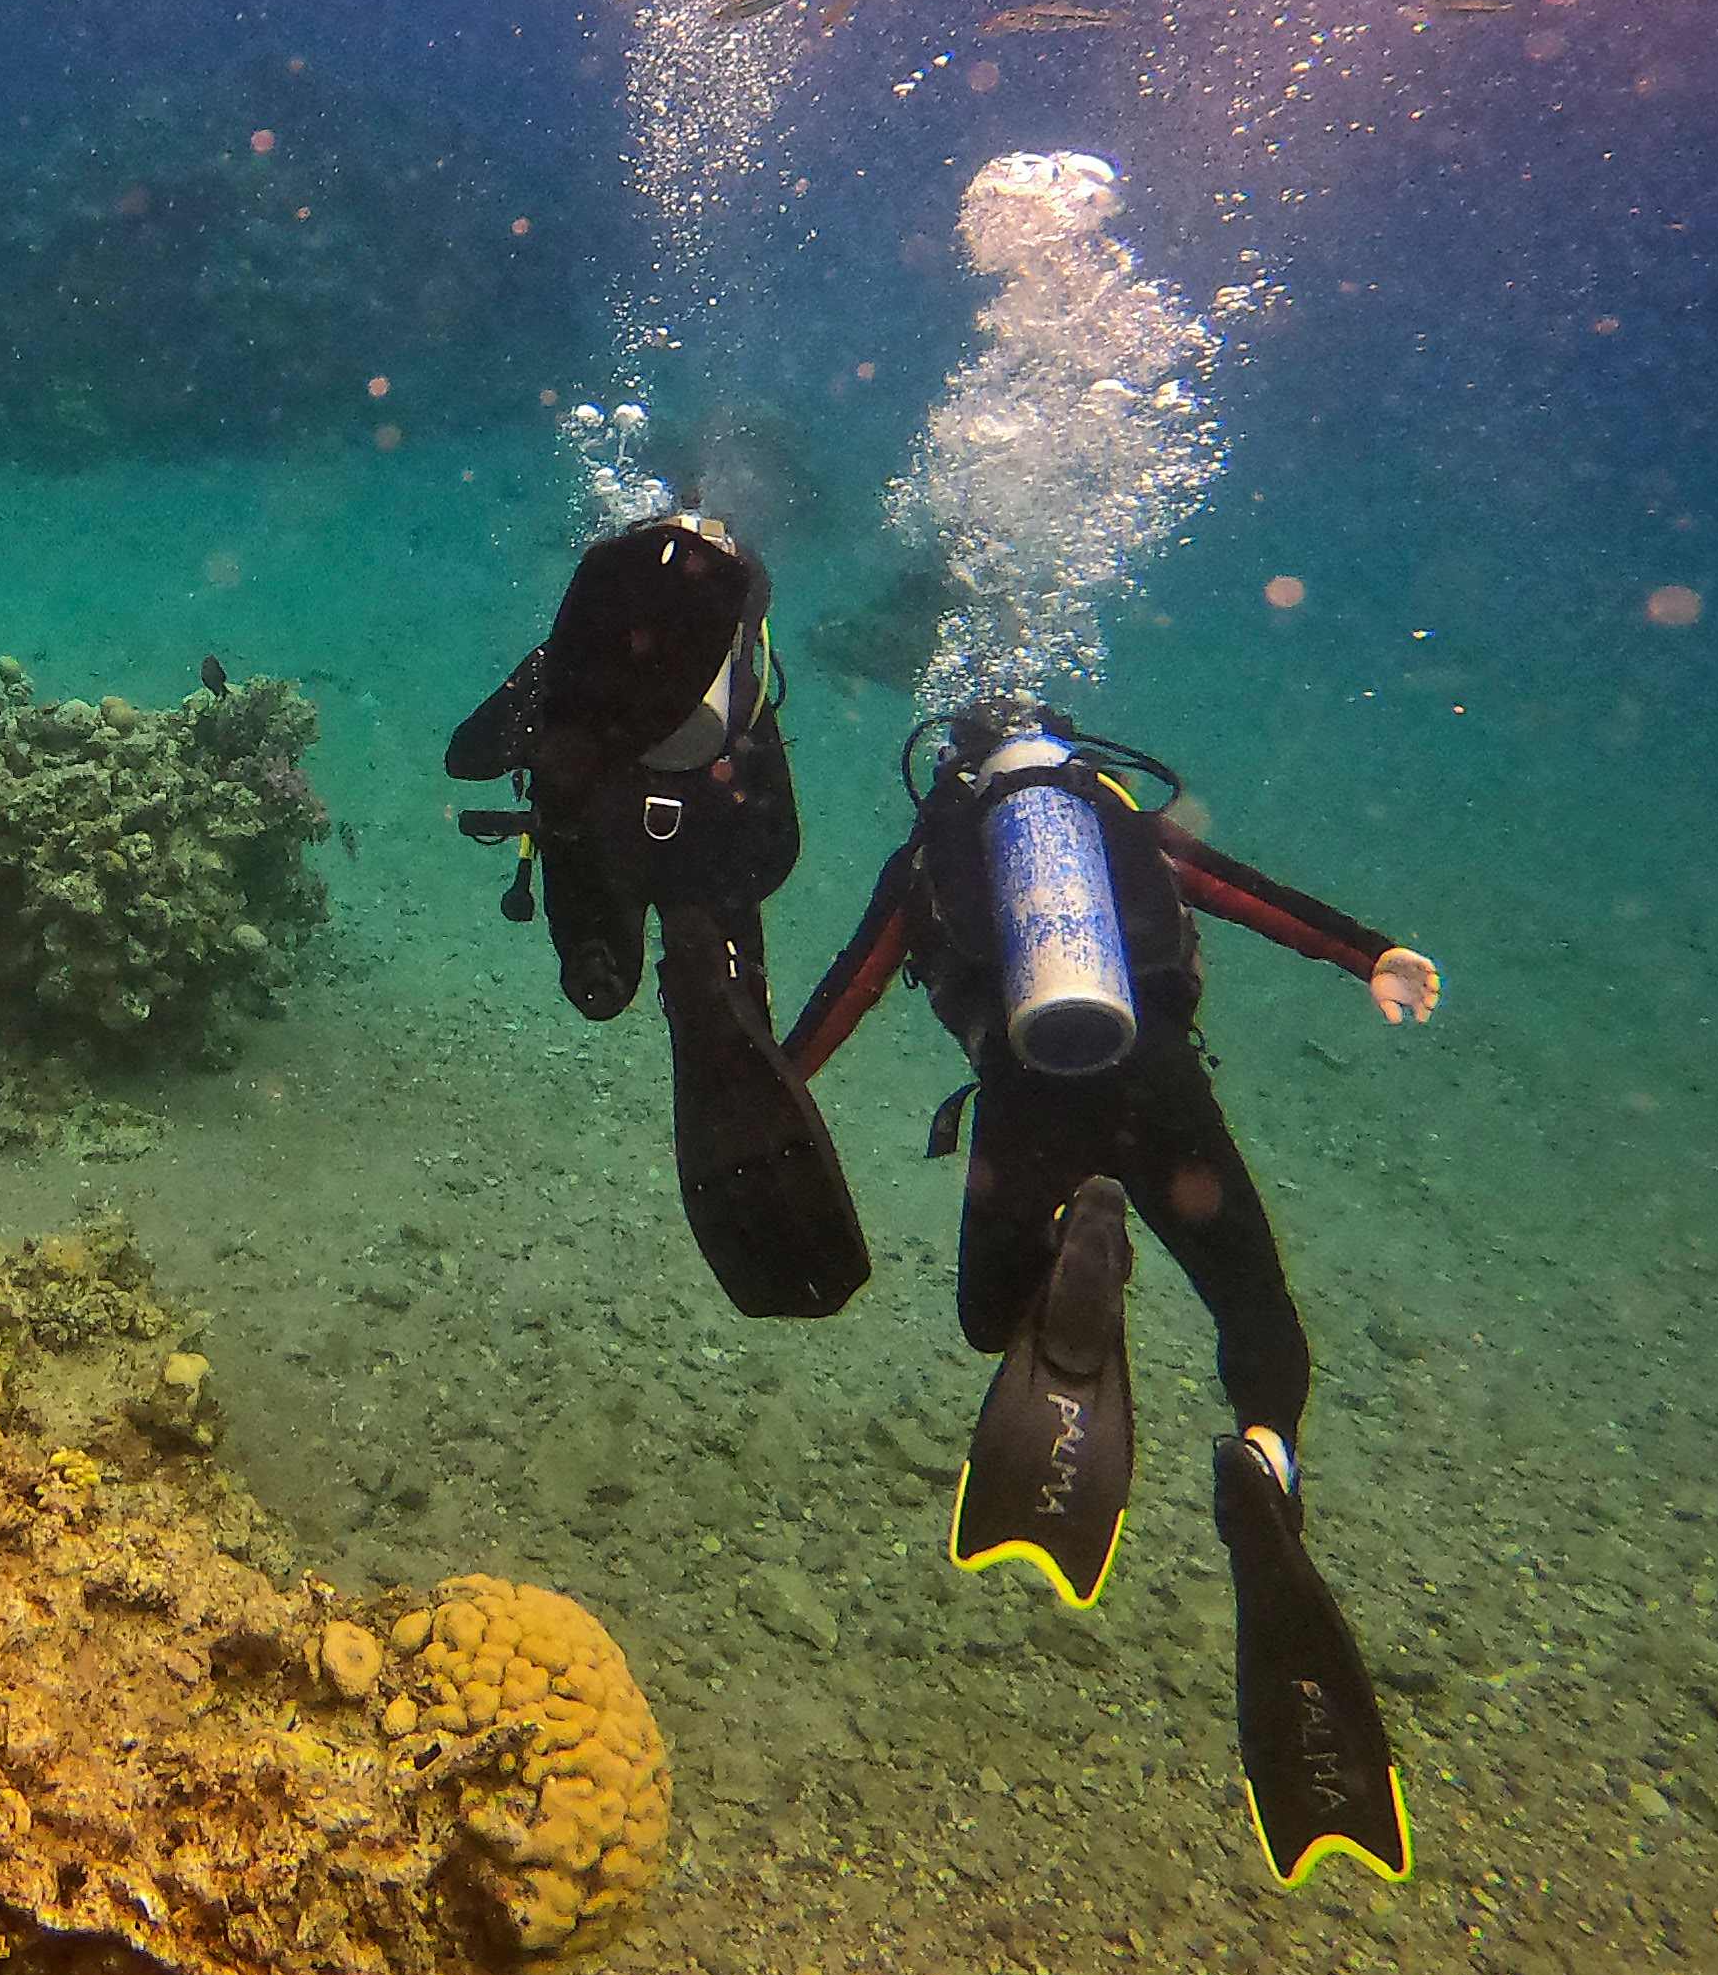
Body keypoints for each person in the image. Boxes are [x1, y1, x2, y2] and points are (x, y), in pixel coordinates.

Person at [781, 700, 1444, 1886]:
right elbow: (1253, 895)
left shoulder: (934, 850)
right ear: (1059, 744)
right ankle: (1263, 1459)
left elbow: (853, 985)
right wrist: (1371, 953)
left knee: (992, 1320)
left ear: (950, 764)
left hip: (1024, 1105)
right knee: (1255, 1310)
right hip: (1160, 1089)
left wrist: (771, 1089)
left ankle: (1076, 1249)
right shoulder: (1117, 820)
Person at [447, 514, 870, 1318]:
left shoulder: (567, 671)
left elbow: (465, 757)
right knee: (718, 996)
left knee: (598, 977)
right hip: (709, 865)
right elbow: (777, 846)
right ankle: (707, 984)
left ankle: (607, 962)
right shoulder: (738, 691)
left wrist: (544, 722)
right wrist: (716, 896)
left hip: (598, 855)